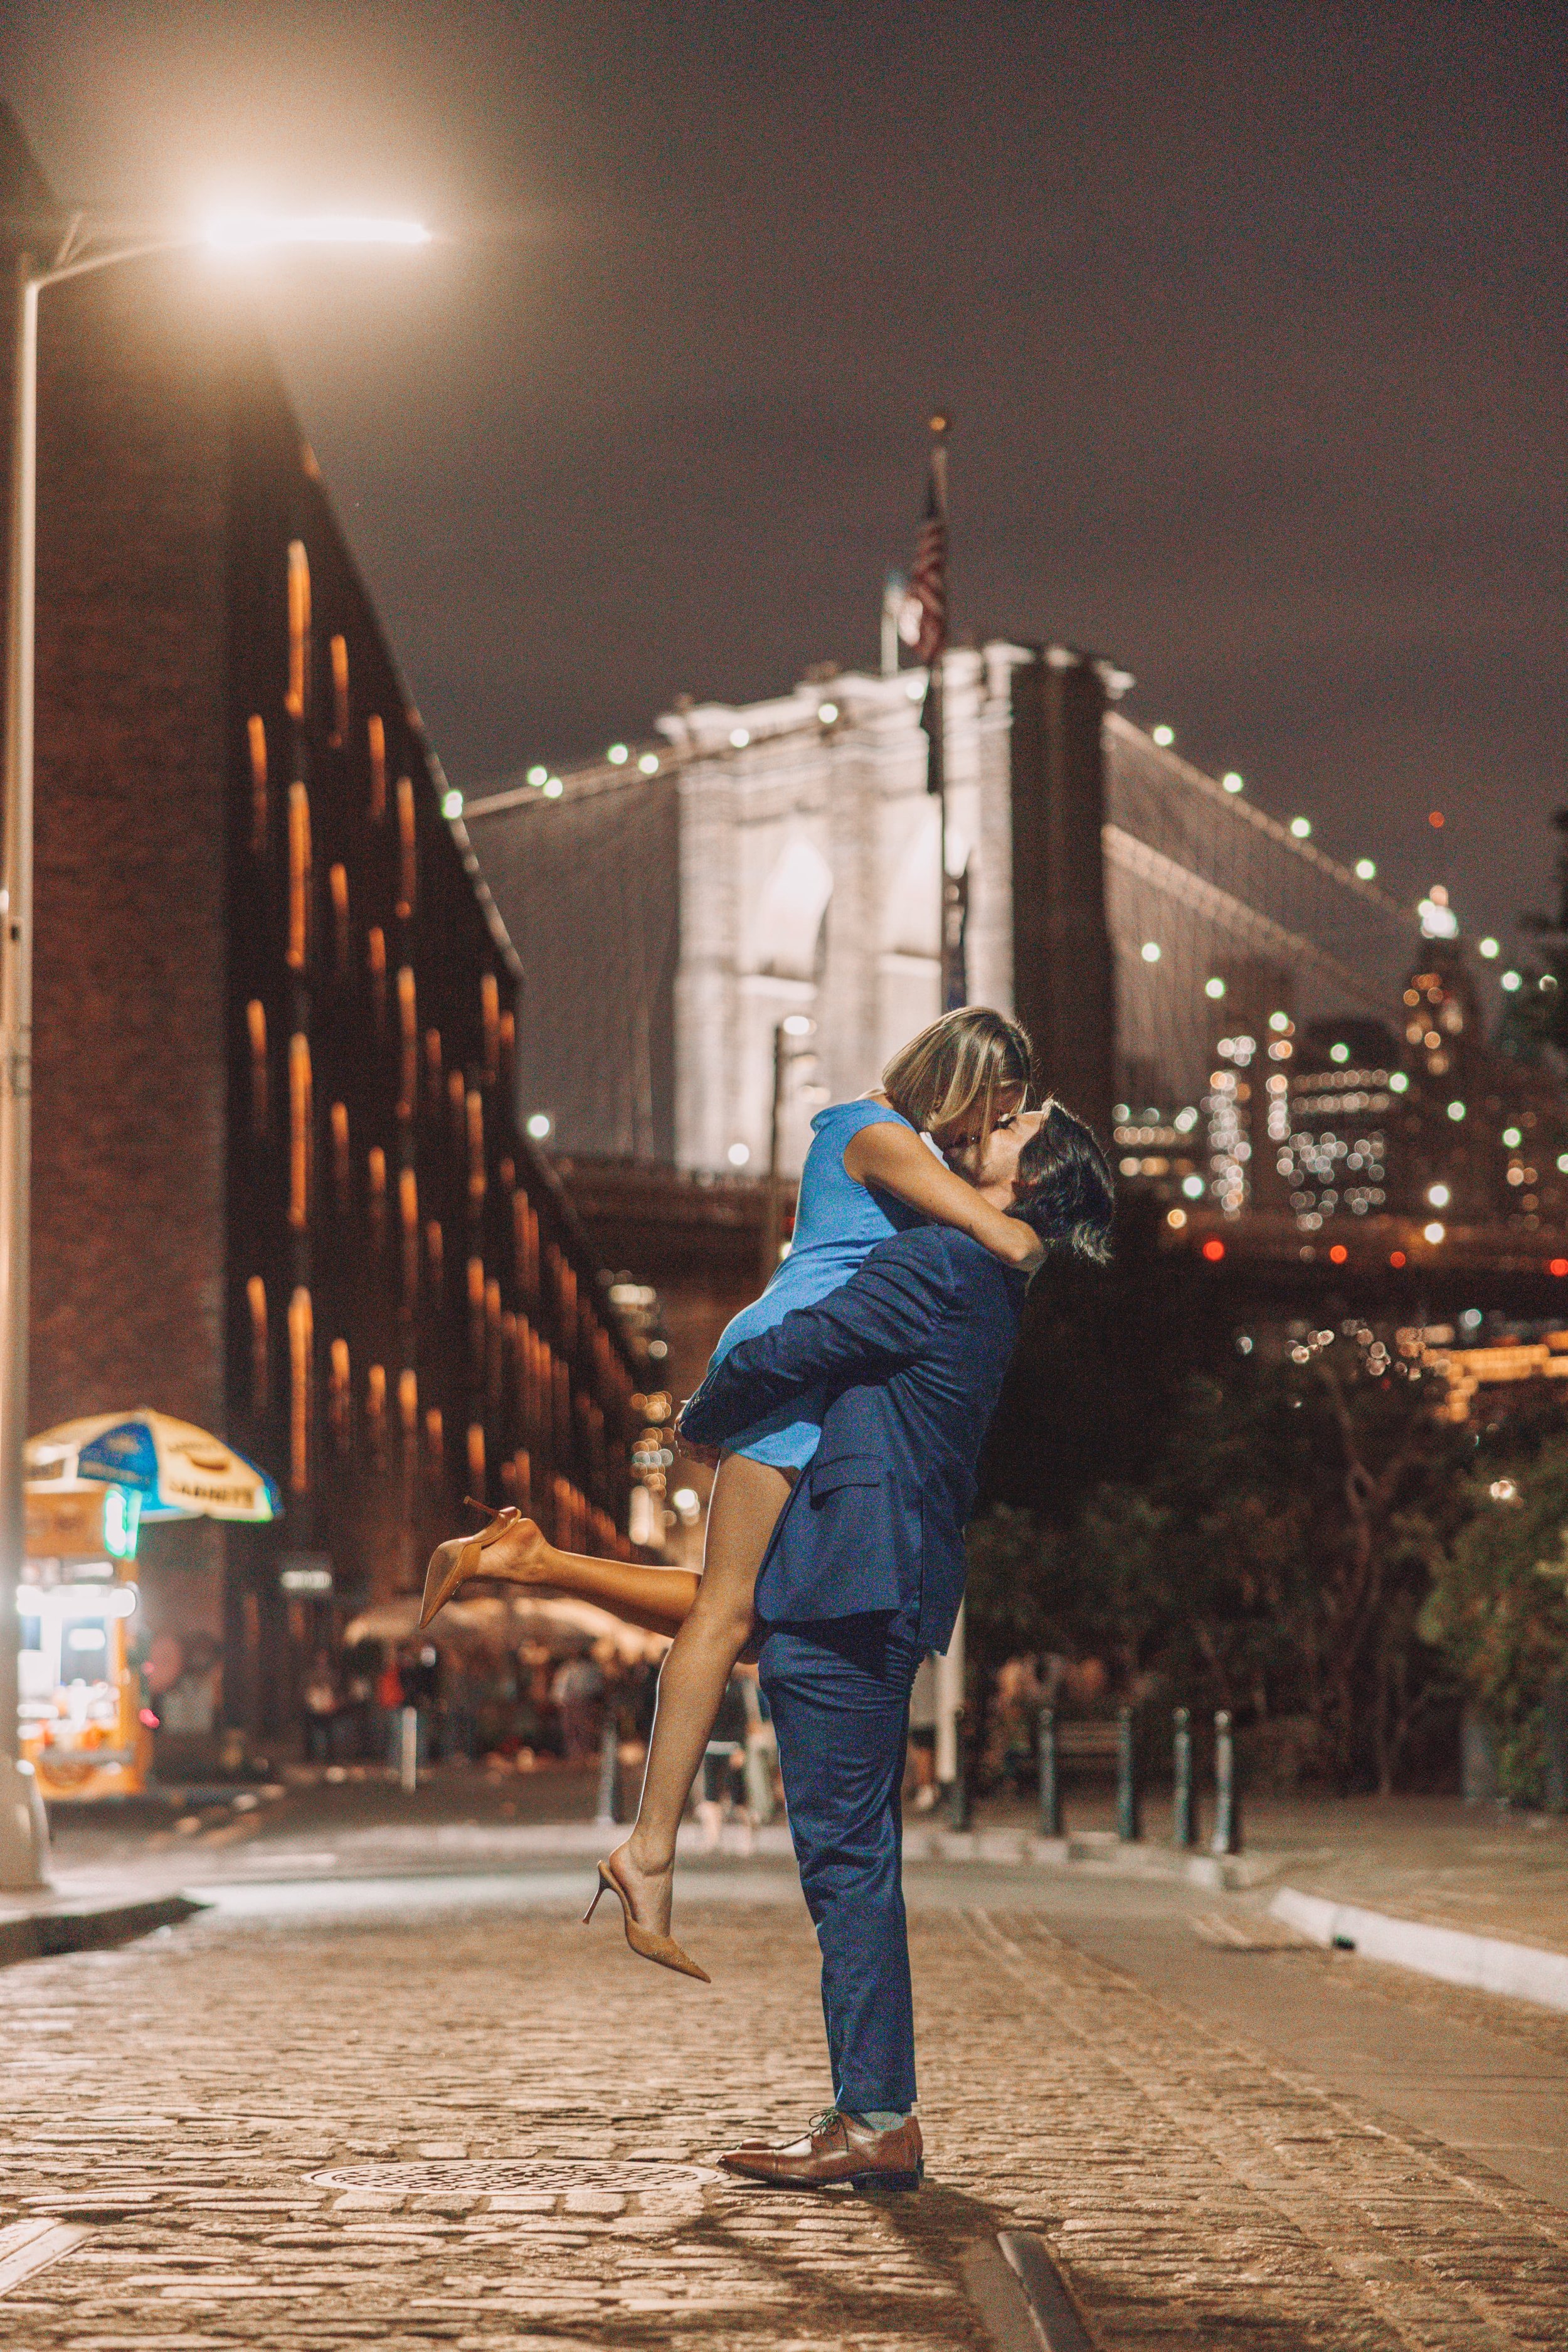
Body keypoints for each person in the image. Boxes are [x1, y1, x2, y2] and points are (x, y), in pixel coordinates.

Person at [422, 1007, 1043, 1970]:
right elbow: (999, 1237)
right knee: (725, 1617)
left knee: (748, 1613)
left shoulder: (896, 1138)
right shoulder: (870, 1130)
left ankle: (527, 1558)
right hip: (790, 1362)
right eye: (985, 1113)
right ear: (955, 1079)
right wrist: (1033, 1190)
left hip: (803, 1363)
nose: (976, 1136)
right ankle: (650, 1848)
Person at [678, 1100, 1113, 2190]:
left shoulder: (940, 1260)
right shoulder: (989, 1275)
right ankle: (872, 2110)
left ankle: (875, 2118)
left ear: (1027, 1173)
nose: (998, 1117)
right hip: (883, 1571)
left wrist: (702, 1410)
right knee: (856, 1851)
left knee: (846, 1857)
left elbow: (805, 1342)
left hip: (849, 1579)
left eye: (1021, 1121)